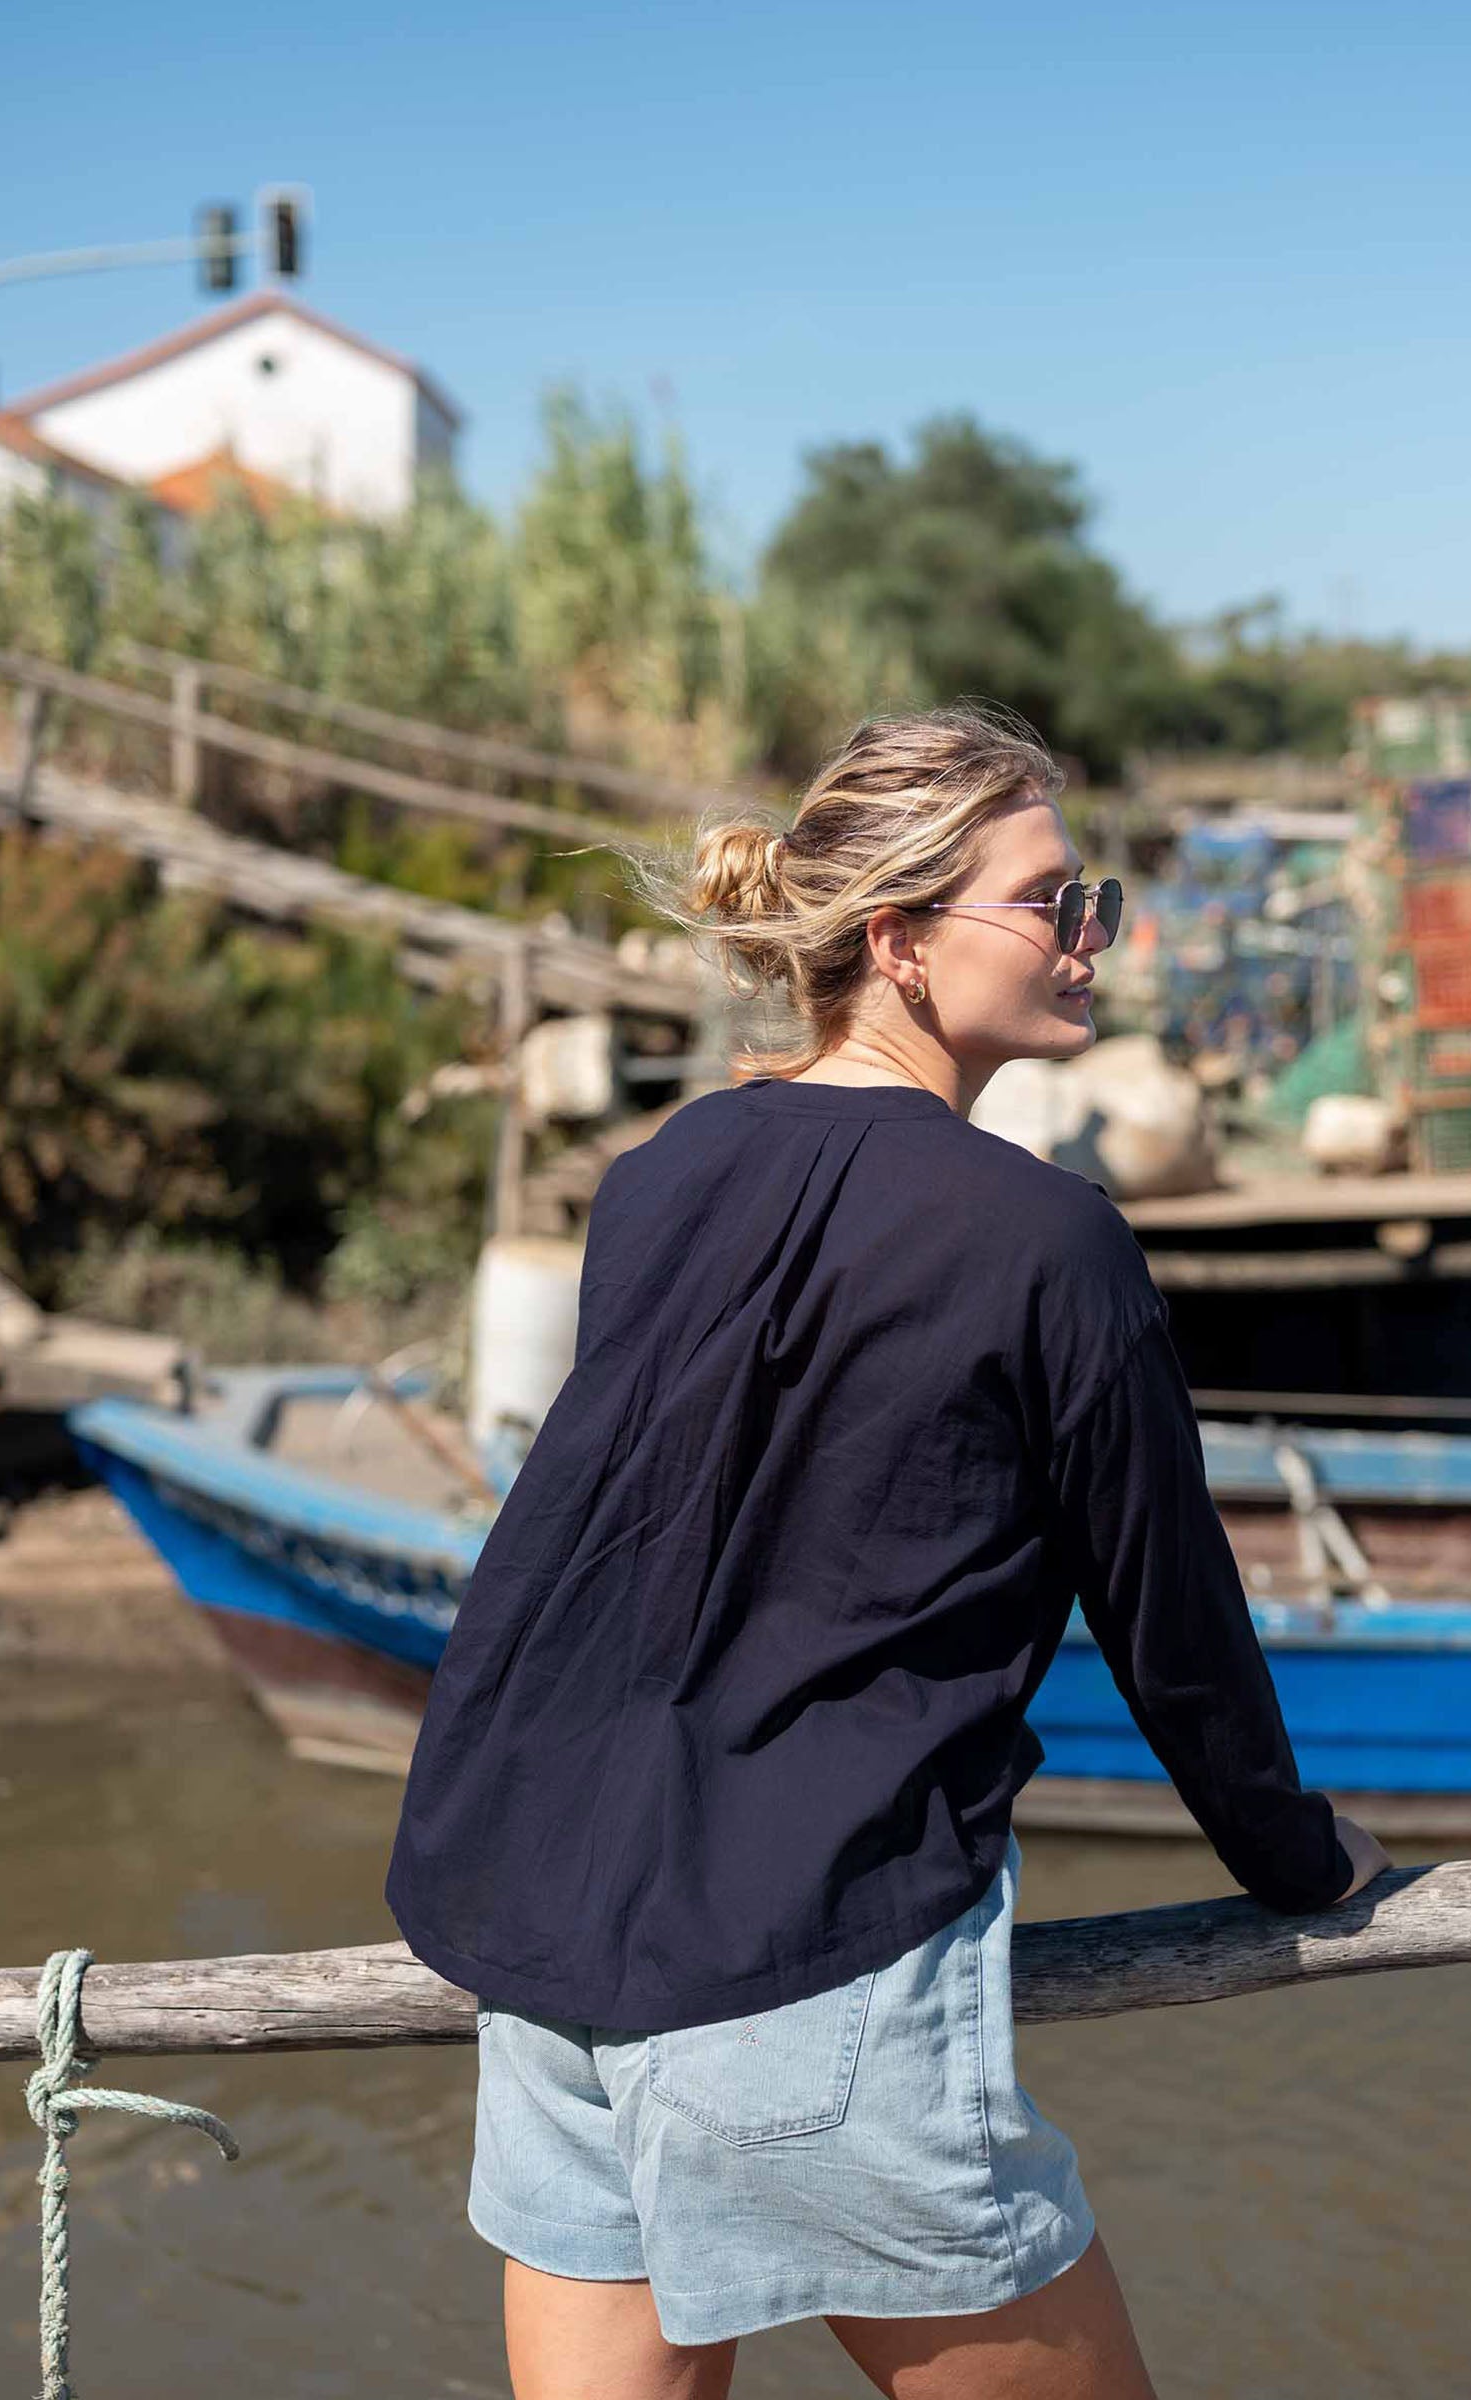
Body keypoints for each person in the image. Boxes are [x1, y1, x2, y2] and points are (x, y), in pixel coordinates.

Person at [386, 704, 1391, 2400]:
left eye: (1096, 901)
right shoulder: (1048, 1239)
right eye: (1052, 901)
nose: (1093, 939)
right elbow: (1174, 1631)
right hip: (809, 1971)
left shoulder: (662, 1173)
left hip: (544, 1963)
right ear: (899, 941)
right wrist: (1304, 1862)